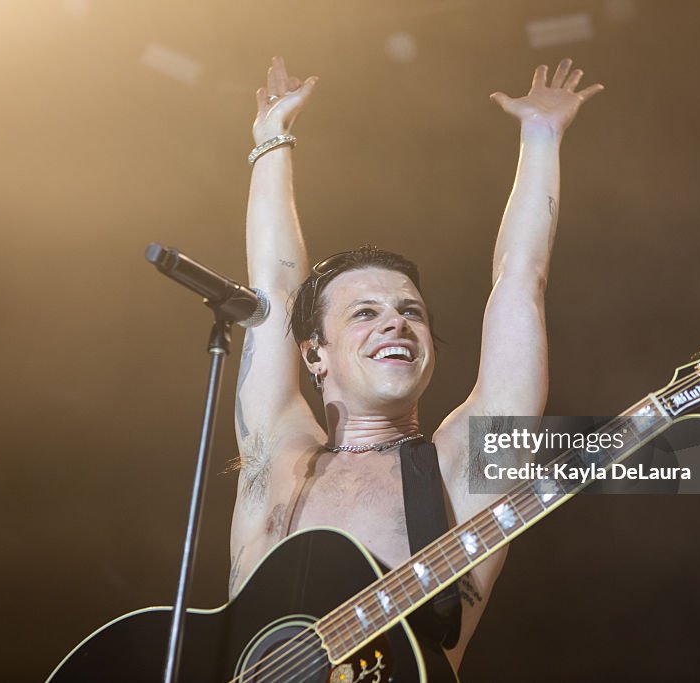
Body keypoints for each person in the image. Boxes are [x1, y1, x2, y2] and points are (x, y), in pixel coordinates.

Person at [230, 55, 602, 672]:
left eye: (411, 311)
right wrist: (271, 142)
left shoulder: (461, 463)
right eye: (364, 313)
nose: (396, 323)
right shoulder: (279, 458)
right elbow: (273, 290)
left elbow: (519, 282)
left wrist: (541, 138)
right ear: (314, 356)